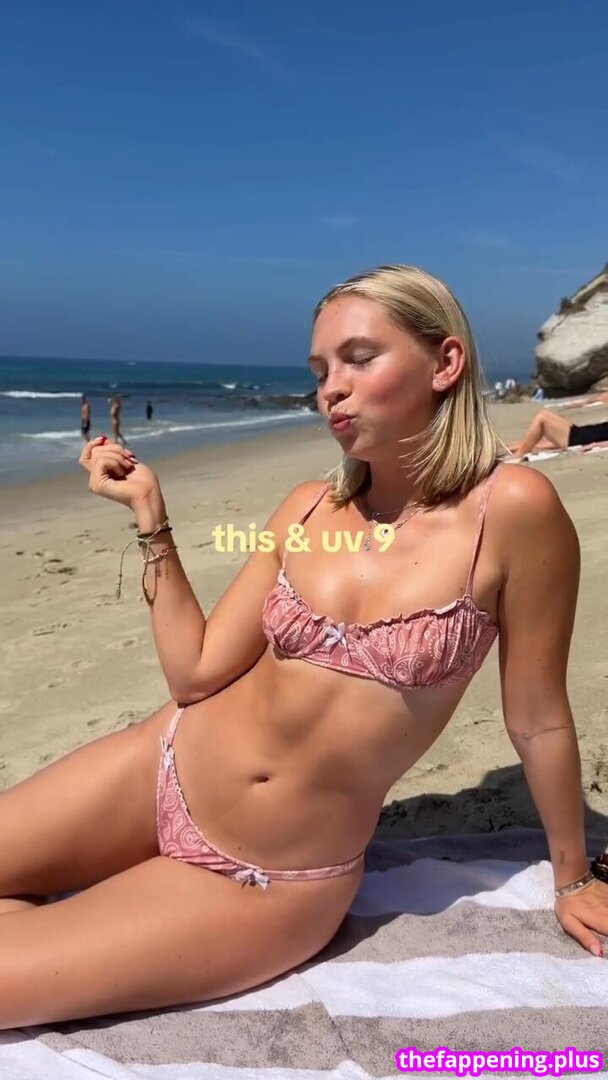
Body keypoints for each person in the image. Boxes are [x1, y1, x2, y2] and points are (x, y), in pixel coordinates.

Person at [1, 264, 607, 1031]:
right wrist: (151, 517)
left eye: (358, 359)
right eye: (320, 371)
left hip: (264, 879)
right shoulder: (309, 507)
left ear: (445, 363)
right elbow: (195, 673)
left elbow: (538, 718)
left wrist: (570, 877)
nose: (331, 390)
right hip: (159, 765)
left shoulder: (514, 512)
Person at [512, 404, 608, 458]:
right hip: (580, 433)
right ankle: (518, 447)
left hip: (579, 439)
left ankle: (519, 455)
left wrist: (595, 445)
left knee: (542, 417)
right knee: (540, 438)